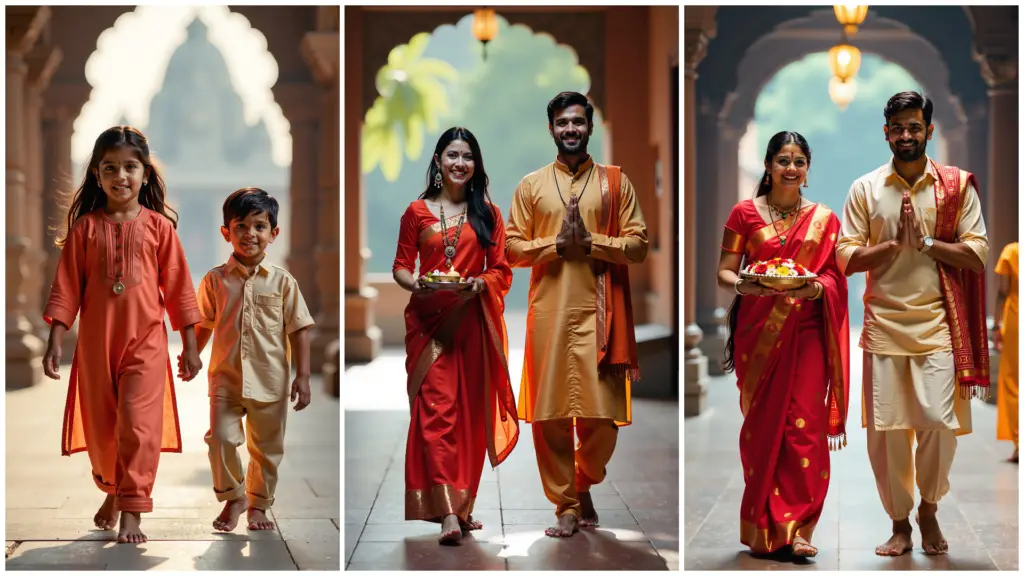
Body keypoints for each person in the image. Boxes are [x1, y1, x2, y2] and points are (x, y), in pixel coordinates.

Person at [837, 91, 989, 557]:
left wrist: (926, 243)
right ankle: (900, 522)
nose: (906, 135)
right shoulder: (865, 189)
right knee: (887, 431)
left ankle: (929, 507)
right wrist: (888, 246)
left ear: (929, 130)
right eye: (898, 128)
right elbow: (844, 256)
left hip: (941, 325)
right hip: (883, 324)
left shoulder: (956, 187)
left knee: (938, 425)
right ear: (886, 132)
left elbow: (978, 253)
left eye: (914, 127)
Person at [41, 126, 203, 544]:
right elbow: (66, 288)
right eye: (110, 168)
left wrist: (189, 346)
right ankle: (113, 491)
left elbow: (180, 288)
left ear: (145, 174)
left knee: (139, 425)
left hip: (145, 344)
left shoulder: (159, 228)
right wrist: (55, 340)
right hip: (96, 348)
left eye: (131, 167)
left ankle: (132, 507)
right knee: (103, 427)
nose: (121, 176)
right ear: (97, 175)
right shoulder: (85, 229)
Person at [506, 91, 648, 538]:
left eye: (578, 122)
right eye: (563, 123)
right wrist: (555, 246)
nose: (571, 129)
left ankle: (584, 480)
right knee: (549, 414)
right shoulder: (531, 186)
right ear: (551, 128)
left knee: (602, 417)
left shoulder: (615, 183)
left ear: (589, 126)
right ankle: (565, 503)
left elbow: (639, 244)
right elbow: (510, 248)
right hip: (549, 313)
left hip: (601, 312)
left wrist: (593, 245)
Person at [716, 131, 850, 558]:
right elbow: (725, 270)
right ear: (768, 167)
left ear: (807, 170)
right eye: (783, 161)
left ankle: (799, 529)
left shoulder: (826, 221)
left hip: (808, 332)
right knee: (762, 429)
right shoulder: (743, 214)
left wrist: (815, 290)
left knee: (804, 429)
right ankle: (763, 528)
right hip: (759, 334)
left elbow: (833, 277)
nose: (791, 169)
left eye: (799, 162)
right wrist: (746, 285)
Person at [392, 127, 520, 545]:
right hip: (428, 325)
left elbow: (502, 268)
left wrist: (480, 285)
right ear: (437, 160)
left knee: (466, 418)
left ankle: (461, 505)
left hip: (471, 322)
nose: (459, 163)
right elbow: (401, 265)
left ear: (476, 164)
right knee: (435, 414)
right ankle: (447, 511)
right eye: (452, 155)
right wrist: (417, 285)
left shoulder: (488, 214)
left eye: (467, 156)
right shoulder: (416, 211)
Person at [188, 187, 314, 532]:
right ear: (226, 232)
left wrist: (302, 377)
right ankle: (234, 496)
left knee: (267, 450)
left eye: (259, 226)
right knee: (221, 439)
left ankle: (258, 505)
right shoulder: (215, 281)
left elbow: (299, 329)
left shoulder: (283, 283)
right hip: (226, 379)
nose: (250, 234)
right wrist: (192, 356)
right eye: (240, 226)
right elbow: (204, 324)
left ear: (273, 234)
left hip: (271, 382)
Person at [994, 242, 1018, 462]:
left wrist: (996, 325)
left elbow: (1002, 291)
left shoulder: (1012, 251)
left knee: (1013, 382)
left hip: (1015, 319)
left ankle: (1020, 443)